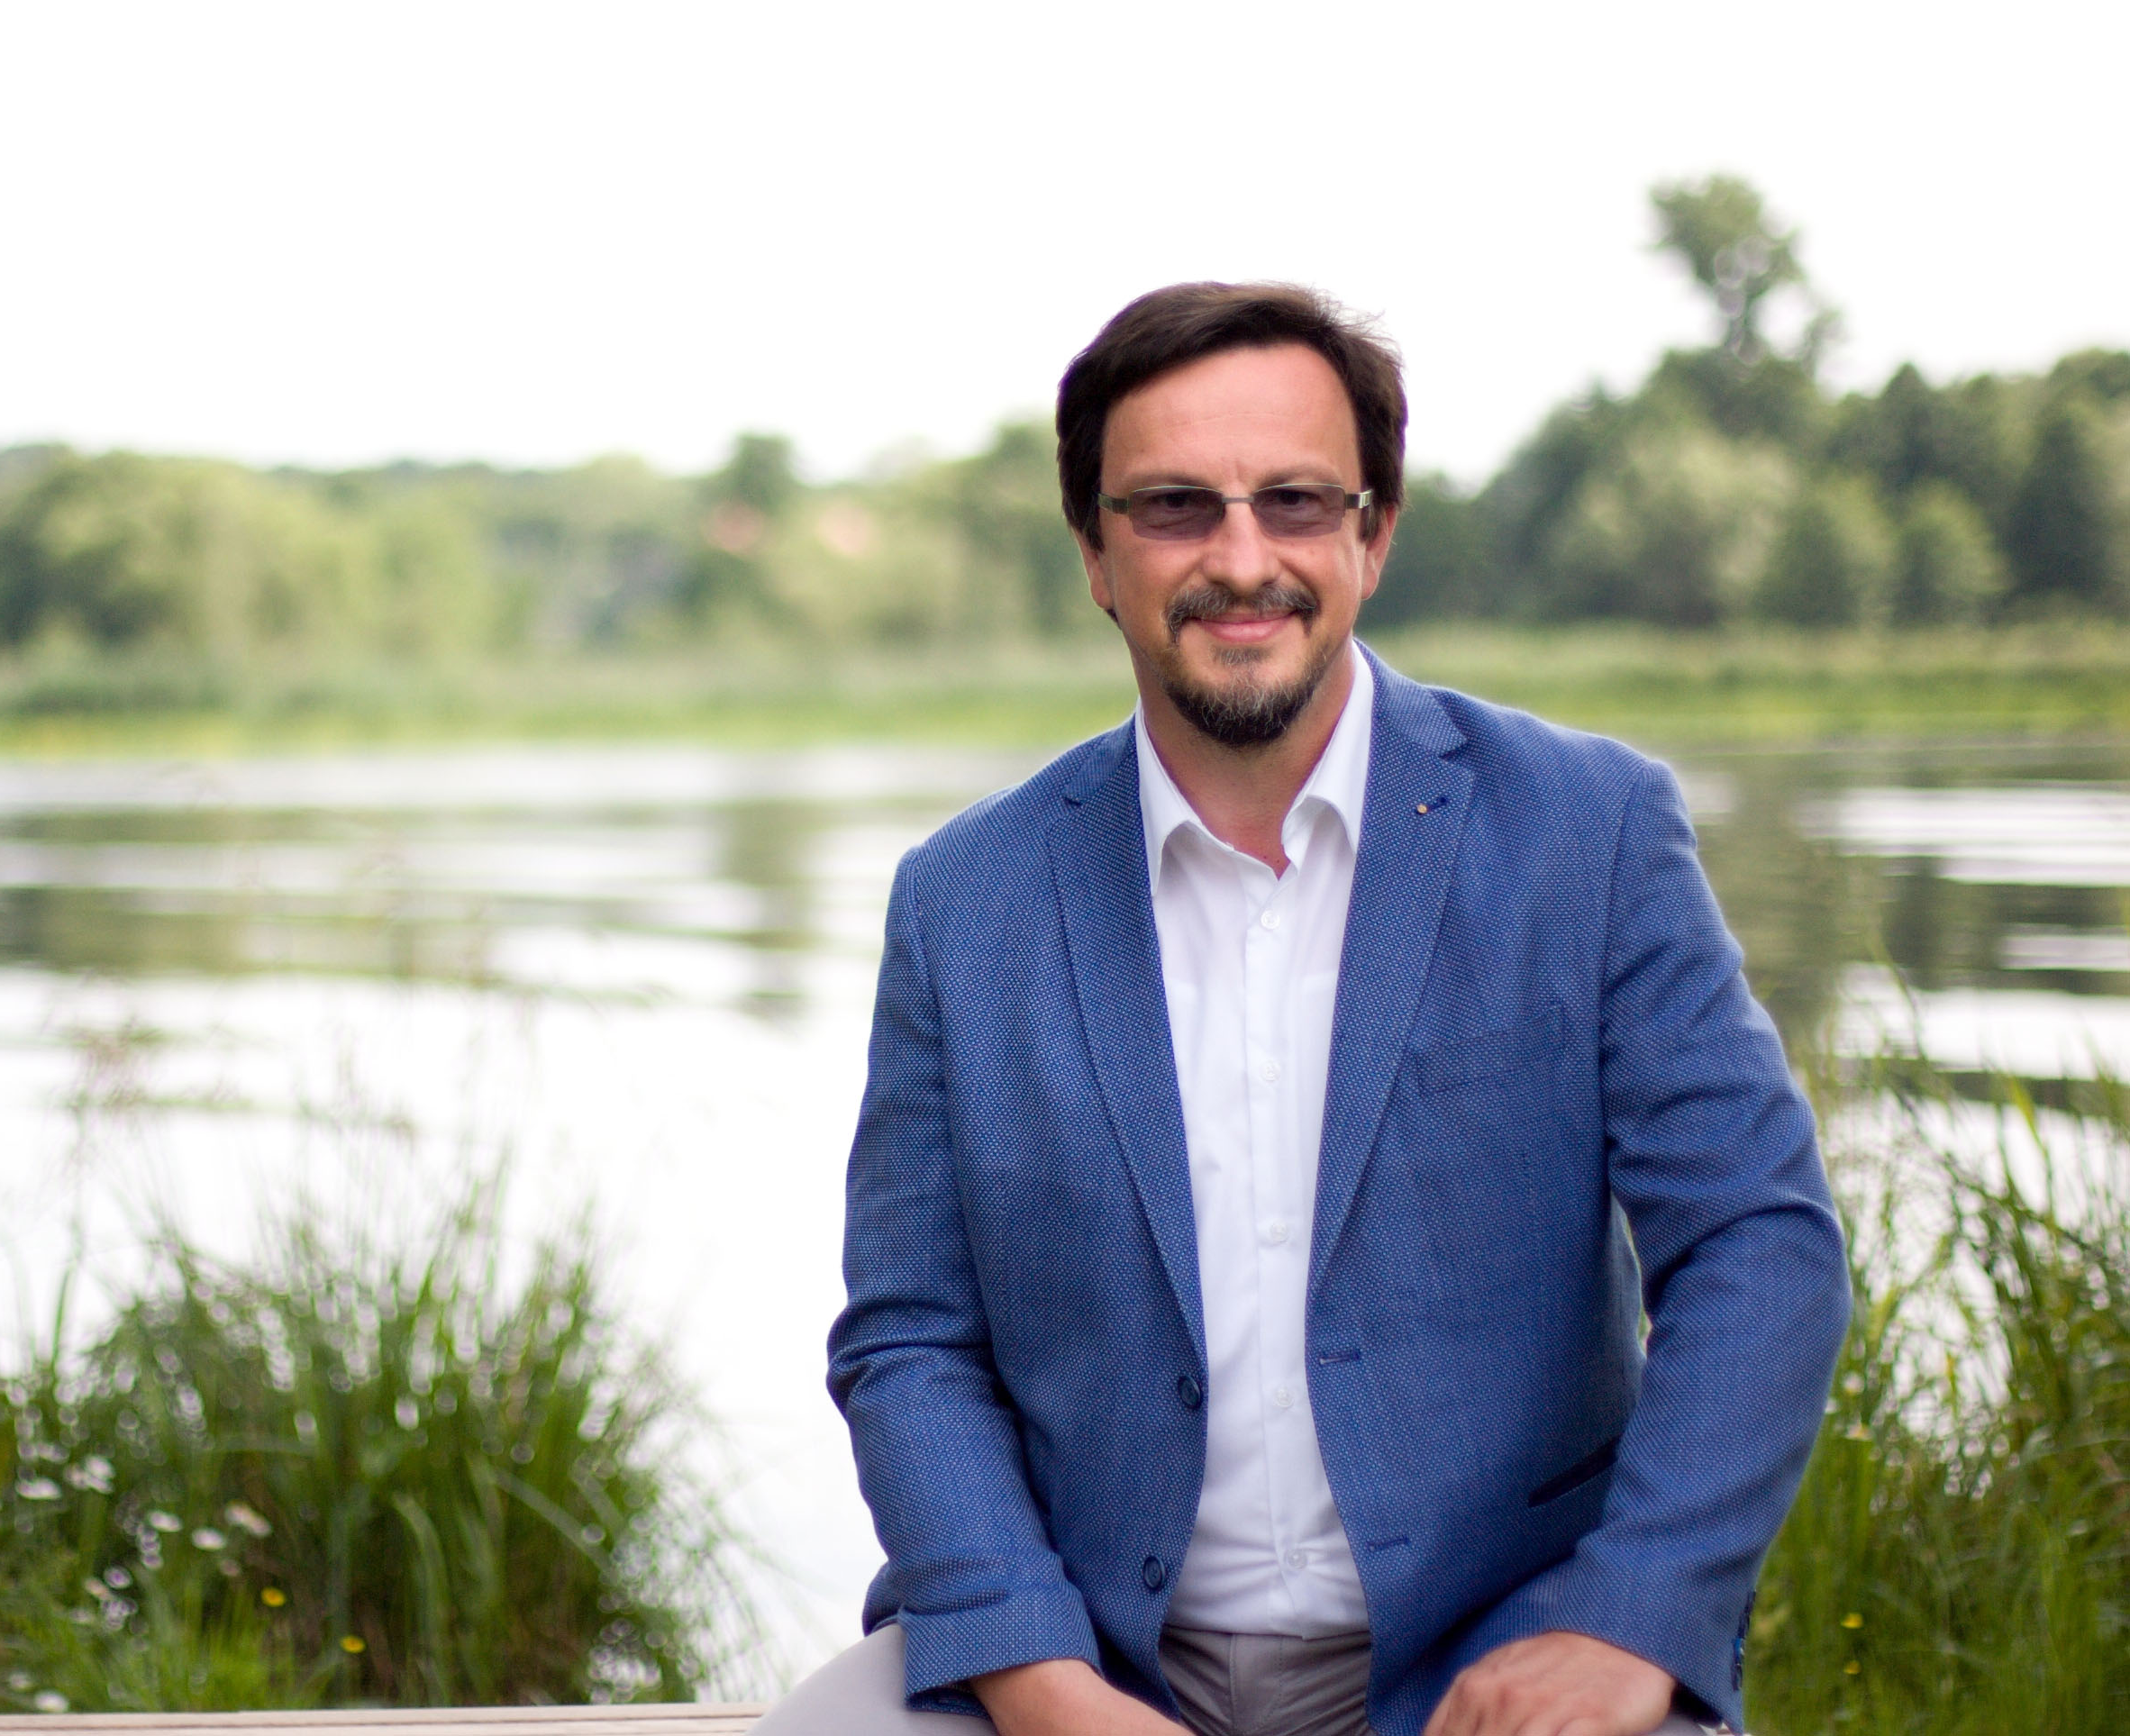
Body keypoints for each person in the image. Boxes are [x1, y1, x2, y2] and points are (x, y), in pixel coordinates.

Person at [754, 284, 1849, 1736]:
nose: (1241, 558)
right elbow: (910, 1341)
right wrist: (1038, 1680)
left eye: (1294, 501)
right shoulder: (965, 901)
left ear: (1372, 533)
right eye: (1173, 508)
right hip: (1087, 1654)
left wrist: (1629, 1618)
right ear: (1093, 550)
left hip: (1499, 1650)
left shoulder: (1588, 834)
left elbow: (1758, 1244)